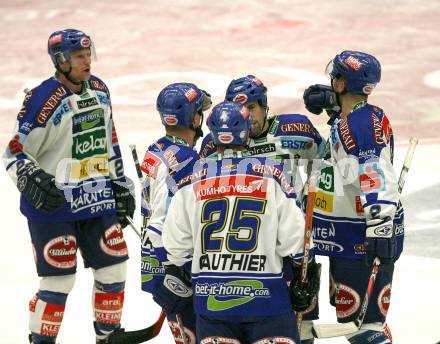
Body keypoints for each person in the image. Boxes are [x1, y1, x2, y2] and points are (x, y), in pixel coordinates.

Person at [2, 29, 135, 344]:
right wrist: (31, 178)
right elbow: (14, 151)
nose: (87, 61)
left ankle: (108, 337)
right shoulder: (42, 100)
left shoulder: (100, 90)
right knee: (59, 281)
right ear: (61, 60)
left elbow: (110, 140)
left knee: (114, 271)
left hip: (96, 197)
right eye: (79, 56)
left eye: (89, 54)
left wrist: (118, 183)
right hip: (55, 206)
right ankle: (41, 340)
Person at [154, 100, 314, 344]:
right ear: (247, 131)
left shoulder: (190, 180)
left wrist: (199, 272)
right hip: (268, 301)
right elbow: (295, 240)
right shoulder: (272, 174)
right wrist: (305, 273)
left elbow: (175, 247)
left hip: (212, 304)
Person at [199, 75, 324, 343]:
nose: (246, 115)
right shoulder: (213, 145)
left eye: (251, 107)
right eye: (238, 108)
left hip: (291, 246)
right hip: (244, 254)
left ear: (265, 106)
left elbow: (325, 162)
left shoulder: (295, 130)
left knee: (299, 330)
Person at [303, 50, 405, 343]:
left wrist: (380, 227)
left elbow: (376, 174)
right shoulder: (354, 117)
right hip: (347, 235)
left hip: (363, 237)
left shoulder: (360, 125)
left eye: (334, 78)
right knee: (355, 322)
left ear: (340, 84)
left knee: (364, 331)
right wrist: (334, 109)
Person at [140, 82, 211, 343]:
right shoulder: (188, 161)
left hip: (156, 262)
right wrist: (176, 266)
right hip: (175, 267)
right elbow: (163, 220)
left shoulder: (155, 148)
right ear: (193, 118)